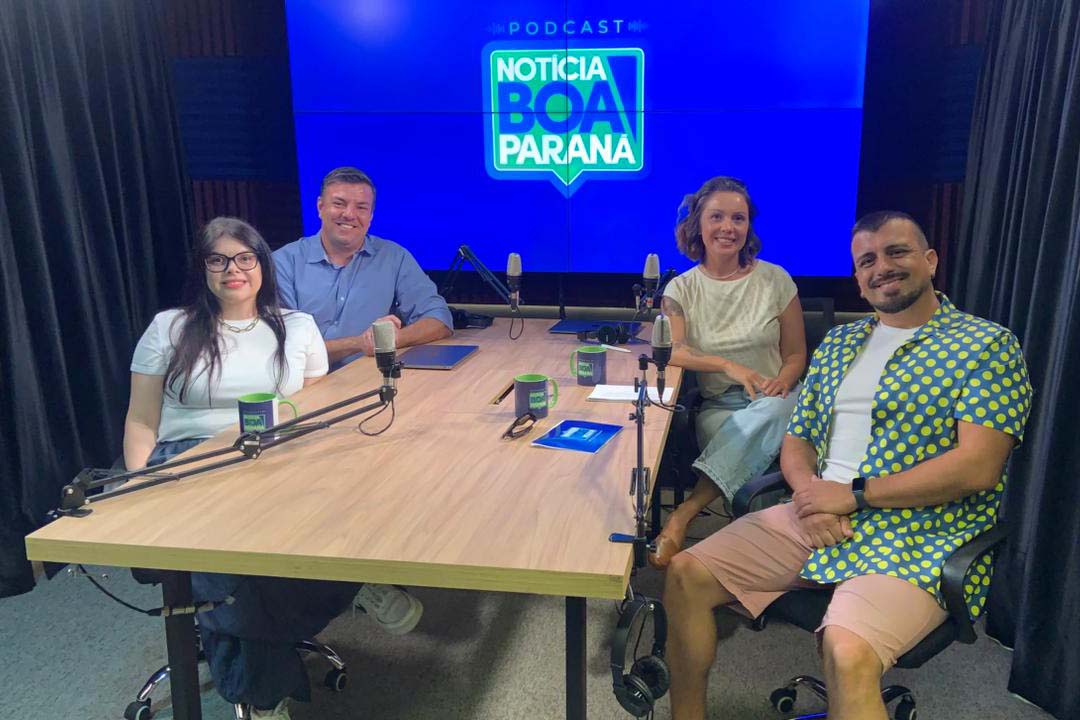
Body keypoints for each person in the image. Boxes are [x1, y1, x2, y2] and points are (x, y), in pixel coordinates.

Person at [661, 211, 1033, 720]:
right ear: (858, 280)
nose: (882, 268)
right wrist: (808, 497)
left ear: (930, 260)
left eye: (897, 252)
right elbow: (798, 438)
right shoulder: (839, 343)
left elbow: (977, 467)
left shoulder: (987, 345)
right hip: (815, 515)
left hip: (918, 535)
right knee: (685, 574)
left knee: (847, 652)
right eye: (867, 261)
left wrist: (855, 495)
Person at [124, 216, 353, 719]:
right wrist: (138, 488)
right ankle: (264, 697)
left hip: (274, 460)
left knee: (347, 531)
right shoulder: (170, 327)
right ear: (202, 268)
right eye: (219, 260)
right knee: (243, 571)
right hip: (189, 462)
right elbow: (141, 418)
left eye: (245, 258)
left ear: (262, 265)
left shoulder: (298, 327)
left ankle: (241, 630)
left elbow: (314, 412)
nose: (234, 270)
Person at [651, 176, 807, 568]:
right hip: (722, 407)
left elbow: (795, 355)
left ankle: (685, 513)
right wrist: (726, 365)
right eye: (717, 217)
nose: (728, 227)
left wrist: (783, 381)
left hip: (781, 397)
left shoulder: (776, 279)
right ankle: (761, 563)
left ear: (748, 226)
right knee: (757, 458)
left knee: (780, 410)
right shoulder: (681, 290)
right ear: (698, 225)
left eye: (738, 218)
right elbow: (674, 351)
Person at [273, 166, 453, 371]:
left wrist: (393, 339)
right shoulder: (282, 264)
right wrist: (358, 343)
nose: (349, 214)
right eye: (339, 204)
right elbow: (287, 351)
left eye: (361, 207)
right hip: (306, 383)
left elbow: (439, 319)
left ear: (371, 216)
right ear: (320, 207)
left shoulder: (394, 257)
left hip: (370, 379)